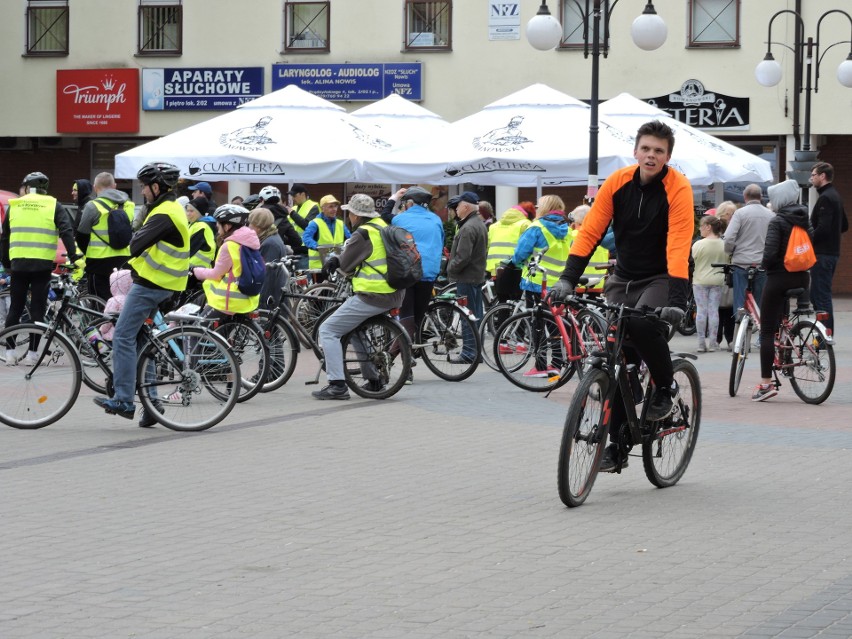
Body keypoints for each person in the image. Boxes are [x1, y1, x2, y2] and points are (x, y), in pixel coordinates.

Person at [550, 120, 694, 473]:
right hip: (624, 276)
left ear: (667, 157)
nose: (651, 155)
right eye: (645, 148)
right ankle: (618, 444)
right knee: (616, 357)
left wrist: (676, 300)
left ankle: (666, 387)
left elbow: (678, 243)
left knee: (643, 326)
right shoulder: (617, 182)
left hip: (662, 275)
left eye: (658, 151)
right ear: (635, 151)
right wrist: (567, 279)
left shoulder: (678, 187)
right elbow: (591, 232)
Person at [92, 162, 189, 427]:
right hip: (159, 281)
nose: (143, 192)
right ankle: (153, 405)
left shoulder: (164, 213)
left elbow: (134, 244)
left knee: (122, 335)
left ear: (157, 187)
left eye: (145, 187)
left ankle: (123, 399)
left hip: (153, 284)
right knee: (142, 342)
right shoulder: (166, 209)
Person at [312, 194, 405, 400]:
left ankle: (337, 385)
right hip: (395, 292)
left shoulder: (363, 233)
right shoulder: (383, 225)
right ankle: (373, 379)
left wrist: (334, 262)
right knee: (353, 331)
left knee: (328, 330)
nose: (349, 217)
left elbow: (346, 264)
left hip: (373, 295)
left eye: (350, 213)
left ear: (355, 214)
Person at [1, 172, 77, 366]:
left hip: (18, 264)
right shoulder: (53, 205)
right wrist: (73, 255)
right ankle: (32, 355)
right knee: (37, 311)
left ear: (27, 187)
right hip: (42, 265)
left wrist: (6, 263)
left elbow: (5, 238)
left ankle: (10, 353)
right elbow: (67, 231)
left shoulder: (16, 205)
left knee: (15, 308)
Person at [752, 179, 813, 402]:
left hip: (779, 278)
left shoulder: (777, 221)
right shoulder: (804, 218)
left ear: (778, 199)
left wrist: (764, 266)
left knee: (767, 331)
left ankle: (766, 385)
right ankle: (788, 348)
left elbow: (769, 255)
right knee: (784, 320)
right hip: (803, 278)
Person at [508, 194, 570, 377]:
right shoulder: (567, 229)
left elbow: (520, 253)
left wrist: (513, 262)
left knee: (537, 324)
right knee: (555, 325)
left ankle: (541, 366)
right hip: (559, 284)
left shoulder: (537, 227)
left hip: (537, 282)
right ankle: (557, 363)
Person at [391, 186, 445, 341]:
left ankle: (405, 352)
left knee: (406, 314)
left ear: (410, 202)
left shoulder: (399, 219)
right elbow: (440, 243)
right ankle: (417, 343)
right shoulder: (436, 219)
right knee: (419, 313)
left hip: (407, 271)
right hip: (429, 271)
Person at [192, 204, 261, 317]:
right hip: (248, 297)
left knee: (198, 331)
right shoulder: (248, 242)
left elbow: (216, 274)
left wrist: (196, 271)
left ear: (227, 226)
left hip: (229, 301)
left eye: (219, 226)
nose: (218, 230)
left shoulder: (229, 245)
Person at [75, 172, 135, 300]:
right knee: (123, 300)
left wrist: (88, 251)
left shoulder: (92, 206)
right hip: (125, 260)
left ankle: (103, 321)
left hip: (98, 263)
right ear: (115, 185)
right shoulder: (129, 205)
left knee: (99, 303)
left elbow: (81, 235)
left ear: (94, 187)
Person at [447, 191, 488, 363]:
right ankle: (475, 352)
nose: (456, 210)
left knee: (467, 316)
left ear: (465, 206)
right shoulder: (477, 223)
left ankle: (469, 353)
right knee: (475, 316)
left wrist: (449, 268)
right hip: (475, 276)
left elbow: (462, 257)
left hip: (467, 277)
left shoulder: (468, 227)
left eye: (457, 206)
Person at [808, 162, 848, 335]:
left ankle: (825, 335)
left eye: (814, 175)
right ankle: (824, 333)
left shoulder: (826, 198)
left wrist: (806, 240)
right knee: (817, 294)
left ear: (822, 176)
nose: (812, 178)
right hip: (831, 253)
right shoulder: (835, 196)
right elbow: (844, 225)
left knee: (820, 296)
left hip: (822, 254)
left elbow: (822, 229)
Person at [723, 185, 773, 313]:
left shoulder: (740, 214)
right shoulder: (771, 215)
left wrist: (730, 251)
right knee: (760, 303)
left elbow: (728, 238)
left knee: (739, 301)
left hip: (741, 263)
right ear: (761, 197)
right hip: (762, 263)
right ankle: (760, 330)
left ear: (745, 197)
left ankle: (739, 328)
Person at [691, 215, 727, 353]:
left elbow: (693, 259)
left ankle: (701, 343)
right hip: (717, 280)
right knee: (713, 311)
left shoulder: (698, 244)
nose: (700, 229)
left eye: (701, 226)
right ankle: (713, 343)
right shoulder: (724, 244)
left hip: (700, 280)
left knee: (701, 311)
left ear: (708, 227)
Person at [248, 207, 289, 309]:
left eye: (250, 224)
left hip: (271, 301)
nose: (248, 227)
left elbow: (267, 276)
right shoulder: (272, 237)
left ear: (258, 227)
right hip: (275, 298)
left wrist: (260, 303)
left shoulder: (269, 244)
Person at [303, 194, 350, 279]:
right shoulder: (315, 223)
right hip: (319, 267)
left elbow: (350, 238)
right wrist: (317, 247)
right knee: (320, 291)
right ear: (322, 208)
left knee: (335, 290)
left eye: (335, 206)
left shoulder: (340, 223)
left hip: (336, 265)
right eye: (331, 207)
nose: (334, 209)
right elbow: (306, 238)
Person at [258, 185, 306, 263]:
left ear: (262, 200)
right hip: (279, 257)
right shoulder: (283, 216)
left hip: (259, 255)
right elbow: (297, 241)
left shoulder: (256, 216)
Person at [186, 197, 216, 269]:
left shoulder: (201, 226)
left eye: (191, 211)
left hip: (196, 270)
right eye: (187, 211)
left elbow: (188, 249)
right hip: (197, 269)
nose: (188, 214)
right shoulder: (194, 224)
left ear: (199, 212)